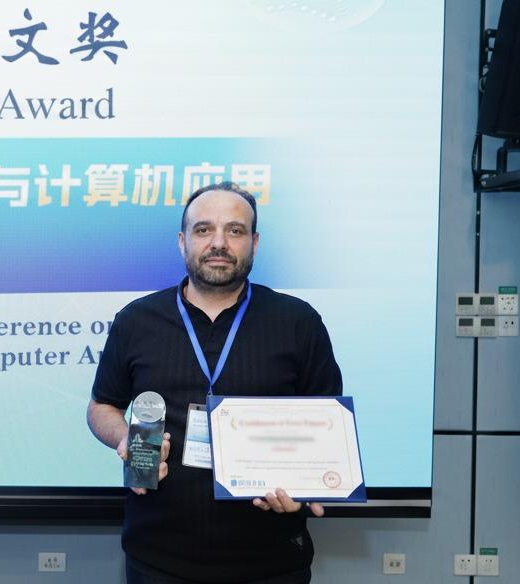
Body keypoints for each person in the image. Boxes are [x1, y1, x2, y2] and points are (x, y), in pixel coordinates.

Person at [87, 182, 342, 584]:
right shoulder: (136, 321)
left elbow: (329, 426)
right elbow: (102, 406)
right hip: (158, 559)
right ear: (182, 241)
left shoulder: (298, 322)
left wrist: (306, 488)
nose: (219, 242)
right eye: (203, 229)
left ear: (254, 243)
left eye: (235, 230)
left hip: (271, 562)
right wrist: (125, 439)